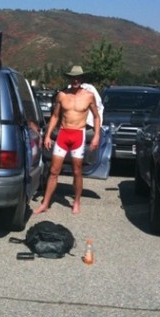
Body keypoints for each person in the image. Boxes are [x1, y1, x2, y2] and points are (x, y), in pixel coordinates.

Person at [34, 65, 101, 215]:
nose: (75, 80)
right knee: (53, 170)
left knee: (77, 171)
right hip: (63, 134)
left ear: (82, 79)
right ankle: (45, 203)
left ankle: (76, 202)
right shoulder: (62, 95)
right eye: (73, 77)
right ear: (70, 79)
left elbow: (97, 117)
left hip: (78, 134)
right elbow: (55, 116)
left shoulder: (89, 96)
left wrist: (96, 136)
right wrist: (47, 135)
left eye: (78, 77)